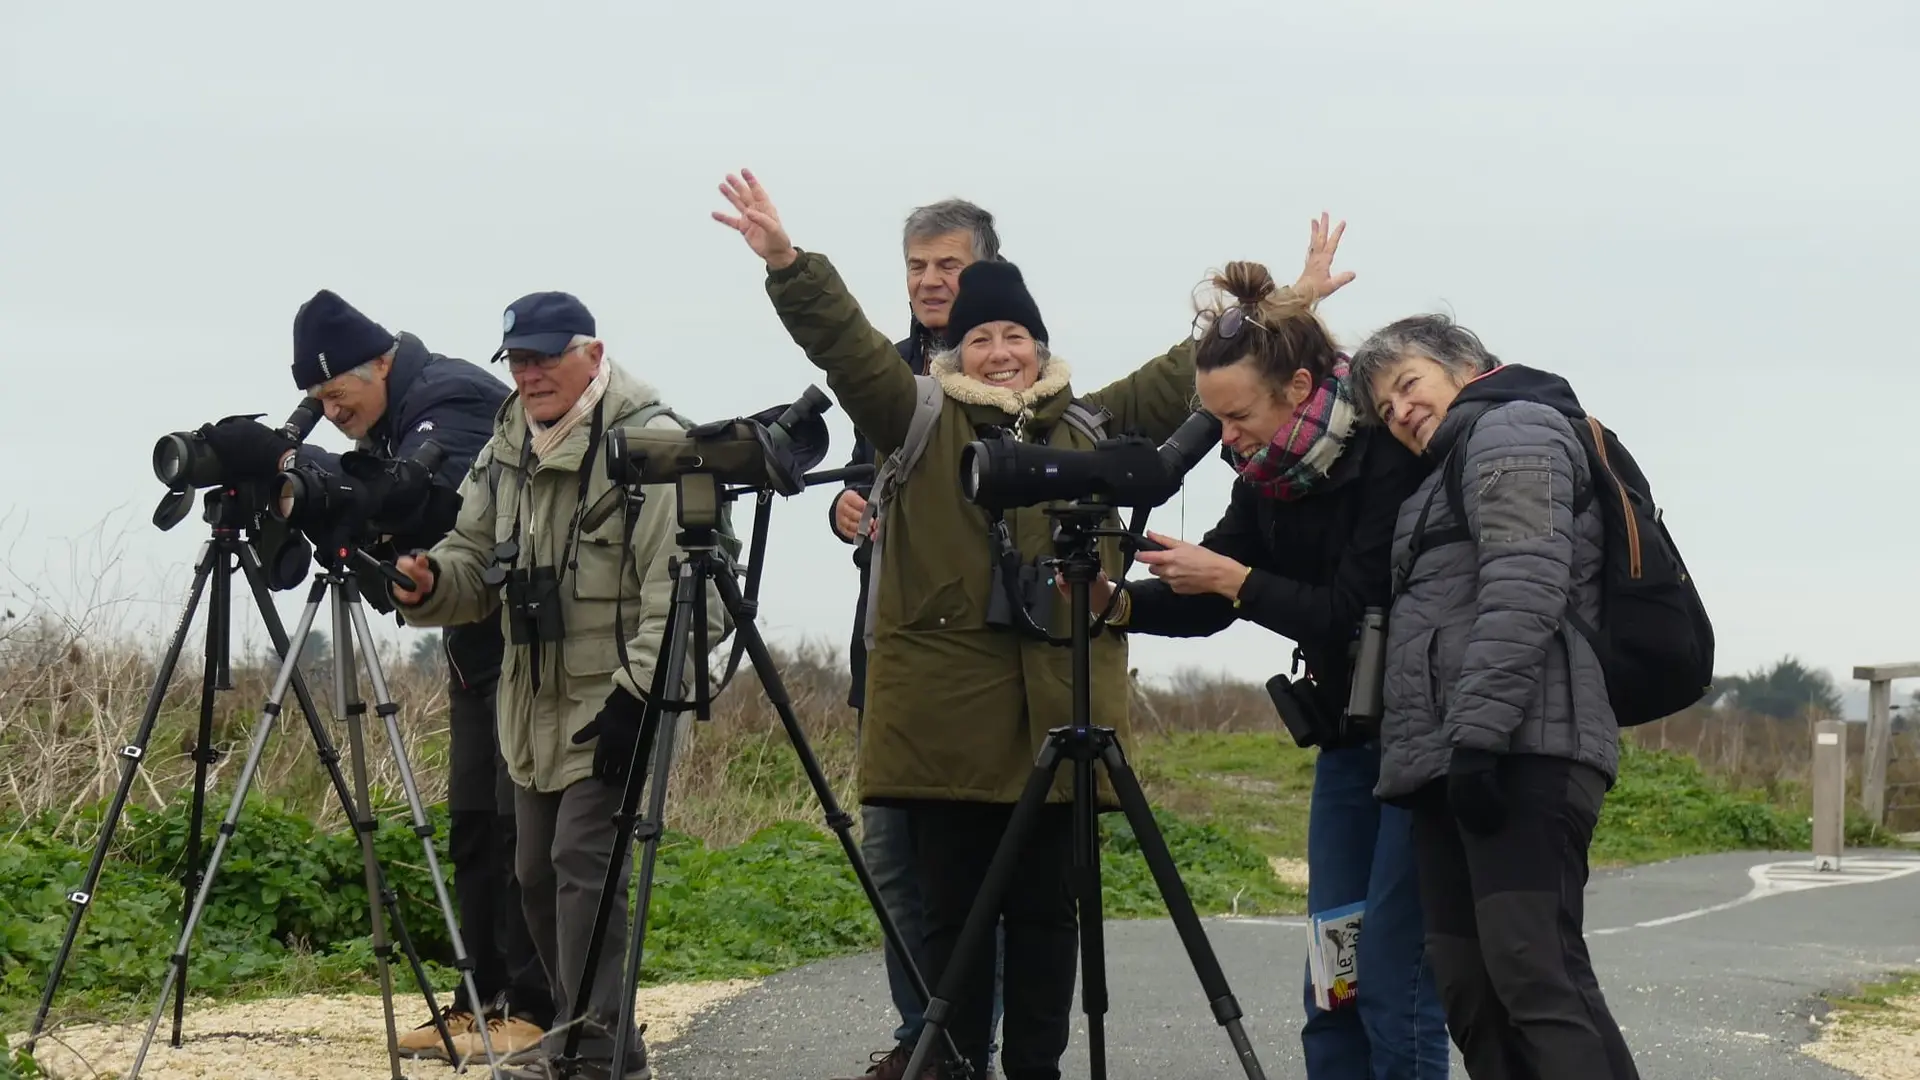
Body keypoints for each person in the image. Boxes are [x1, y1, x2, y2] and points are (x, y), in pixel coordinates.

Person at [713, 167, 1198, 1080]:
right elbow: (846, 348)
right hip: (946, 726)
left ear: (1041, 344)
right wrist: (786, 259)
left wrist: (1271, 304)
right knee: (953, 913)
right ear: (955, 350)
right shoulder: (916, 415)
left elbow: (1186, 377)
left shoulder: (1089, 426)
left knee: (1052, 915)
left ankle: (1037, 1069)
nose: (1001, 352)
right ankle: (957, 1060)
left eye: (1016, 335)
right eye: (982, 338)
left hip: (1058, 713)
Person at [1086, 231, 1451, 1080]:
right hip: (1346, 738)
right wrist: (1119, 605)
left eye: (1238, 418)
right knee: (1334, 974)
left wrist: (1238, 580)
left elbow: (1356, 612)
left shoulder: (1383, 456)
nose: (1226, 440)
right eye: (1212, 420)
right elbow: (1213, 594)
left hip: (1420, 735)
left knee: (1395, 978)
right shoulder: (1270, 472)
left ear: (1298, 389)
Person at [191, 289, 554, 1062]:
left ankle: (533, 1004)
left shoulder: (452, 397)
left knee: (512, 819)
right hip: (468, 638)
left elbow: (408, 495)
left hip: (527, 637)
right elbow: (365, 502)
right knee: (471, 825)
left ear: (382, 362)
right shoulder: (393, 410)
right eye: (317, 400)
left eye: (337, 393)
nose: (331, 410)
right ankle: (478, 1001)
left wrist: (292, 461)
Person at [387, 290, 728, 1080]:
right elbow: (472, 558)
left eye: (547, 357)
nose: (531, 374)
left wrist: (638, 697)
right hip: (531, 698)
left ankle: (592, 1046)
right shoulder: (509, 441)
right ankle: (594, 1033)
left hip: (618, 695)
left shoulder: (653, 442)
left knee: (583, 860)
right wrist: (429, 582)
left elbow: (687, 592)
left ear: (594, 354)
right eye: (519, 360)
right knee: (534, 871)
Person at [1349, 314, 1640, 1080]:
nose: (1401, 411)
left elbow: (1524, 587)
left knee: (1534, 972)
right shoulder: (1437, 478)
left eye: (1408, 384)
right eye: (1385, 408)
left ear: (1466, 365)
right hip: (1452, 762)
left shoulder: (1513, 428)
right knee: (1471, 990)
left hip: (1524, 747)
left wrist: (1478, 737)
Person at [827, 198, 1008, 1080]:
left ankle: (967, 1042)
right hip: (889, 656)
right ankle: (922, 1037)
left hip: (984, 665)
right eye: (917, 267)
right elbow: (860, 482)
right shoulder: (885, 374)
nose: (931, 282)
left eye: (949, 266)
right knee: (893, 861)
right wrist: (842, 508)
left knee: (973, 875)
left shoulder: (1015, 364)